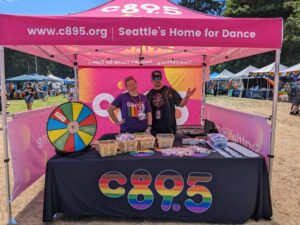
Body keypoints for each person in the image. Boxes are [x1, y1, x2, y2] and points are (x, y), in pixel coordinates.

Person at [147, 70, 196, 135]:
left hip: (169, 130)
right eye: (155, 78)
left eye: (159, 78)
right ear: (152, 81)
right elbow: (145, 111)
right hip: (155, 131)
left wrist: (187, 96)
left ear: (161, 78)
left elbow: (181, 104)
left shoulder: (169, 91)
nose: (157, 80)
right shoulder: (150, 94)